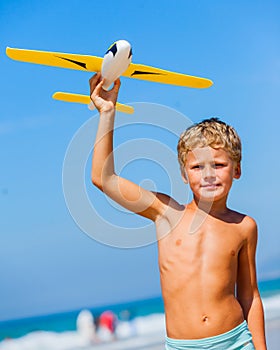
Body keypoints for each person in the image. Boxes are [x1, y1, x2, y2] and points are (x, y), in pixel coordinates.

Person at [89, 72, 267, 350]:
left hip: (236, 341)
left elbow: (250, 296)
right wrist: (107, 112)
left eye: (218, 165)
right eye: (197, 167)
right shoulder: (166, 213)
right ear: (184, 175)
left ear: (237, 169)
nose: (208, 175)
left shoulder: (244, 226)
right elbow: (104, 178)